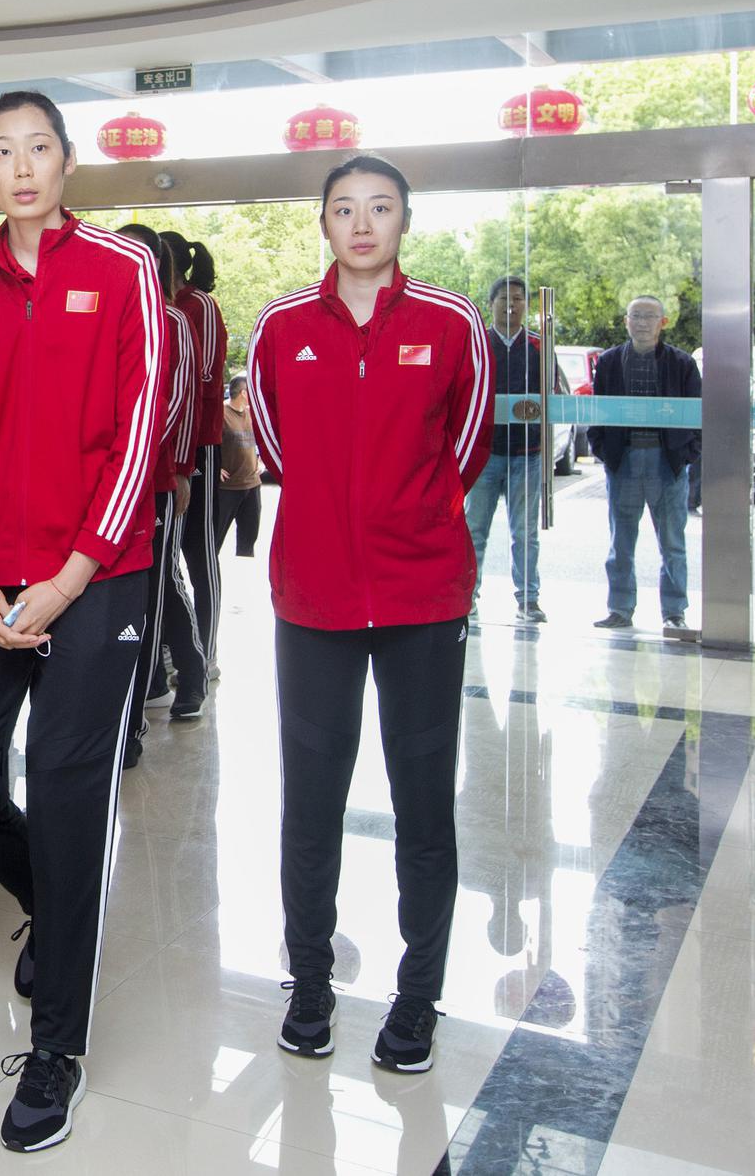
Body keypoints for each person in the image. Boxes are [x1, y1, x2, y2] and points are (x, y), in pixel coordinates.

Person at [0, 91, 163, 1153]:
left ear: (66, 162)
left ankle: (56, 1046)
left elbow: (140, 430)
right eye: (1, 152)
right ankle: (60, 905)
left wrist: (67, 579)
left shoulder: (121, 269)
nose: (20, 168)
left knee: (67, 795)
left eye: (38, 149)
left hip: (95, 577)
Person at [248, 154, 489, 1077]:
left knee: (424, 800)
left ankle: (418, 994)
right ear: (323, 223)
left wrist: (411, 515)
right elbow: (273, 443)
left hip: (422, 594)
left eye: (379, 207)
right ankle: (309, 982)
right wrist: (330, 509)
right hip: (314, 597)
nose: (361, 224)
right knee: (311, 799)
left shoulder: (451, 321)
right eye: (344, 208)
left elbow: (467, 443)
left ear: (404, 222)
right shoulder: (282, 327)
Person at [116, 222, 197, 761]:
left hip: (151, 483)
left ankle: (138, 718)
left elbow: (175, 403)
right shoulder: (104, 308)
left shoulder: (173, 320)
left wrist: (178, 469)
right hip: (101, 487)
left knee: (151, 594)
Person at [590, 295, 700, 630]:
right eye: (635, 316)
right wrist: (604, 451)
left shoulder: (681, 363)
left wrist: (687, 454)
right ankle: (620, 609)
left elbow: (697, 413)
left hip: (667, 463)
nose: (642, 322)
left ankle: (674, 612)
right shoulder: (609, 362)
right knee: (620, 542)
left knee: (672, 544)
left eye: (649, 316)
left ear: (662, 322)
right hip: (623, 461)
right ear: (626, 321)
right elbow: (597, 410)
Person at [466, 276, 559, 624]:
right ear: (491, 304)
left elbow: (550, 398)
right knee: (474, 529)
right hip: (485, 455)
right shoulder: (478, 344)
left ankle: (528, 600)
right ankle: (467, 597)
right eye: (504, 298)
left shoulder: (538, 346)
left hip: (527, 454)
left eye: (518, 299)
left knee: (525, 534)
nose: (511, 305)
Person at [168, 234, 229, 673]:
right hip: (164, 450)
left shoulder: (198, 305)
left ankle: (206, 652)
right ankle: (175, 647)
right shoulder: (155, 305)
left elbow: (203, 375)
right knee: (166, 553)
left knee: (198, 548)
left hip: (200, 444)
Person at [214, 375, 263, 558]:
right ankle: (209, 567)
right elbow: (209, 444)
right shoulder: (221, 413)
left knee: (249, 537)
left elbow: (261, 439)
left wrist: (261, 460)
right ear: (243, 393)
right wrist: (216, 467)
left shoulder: (252, 413)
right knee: (216, 536)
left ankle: (243, 566)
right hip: (228, 487)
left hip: (252, 484)